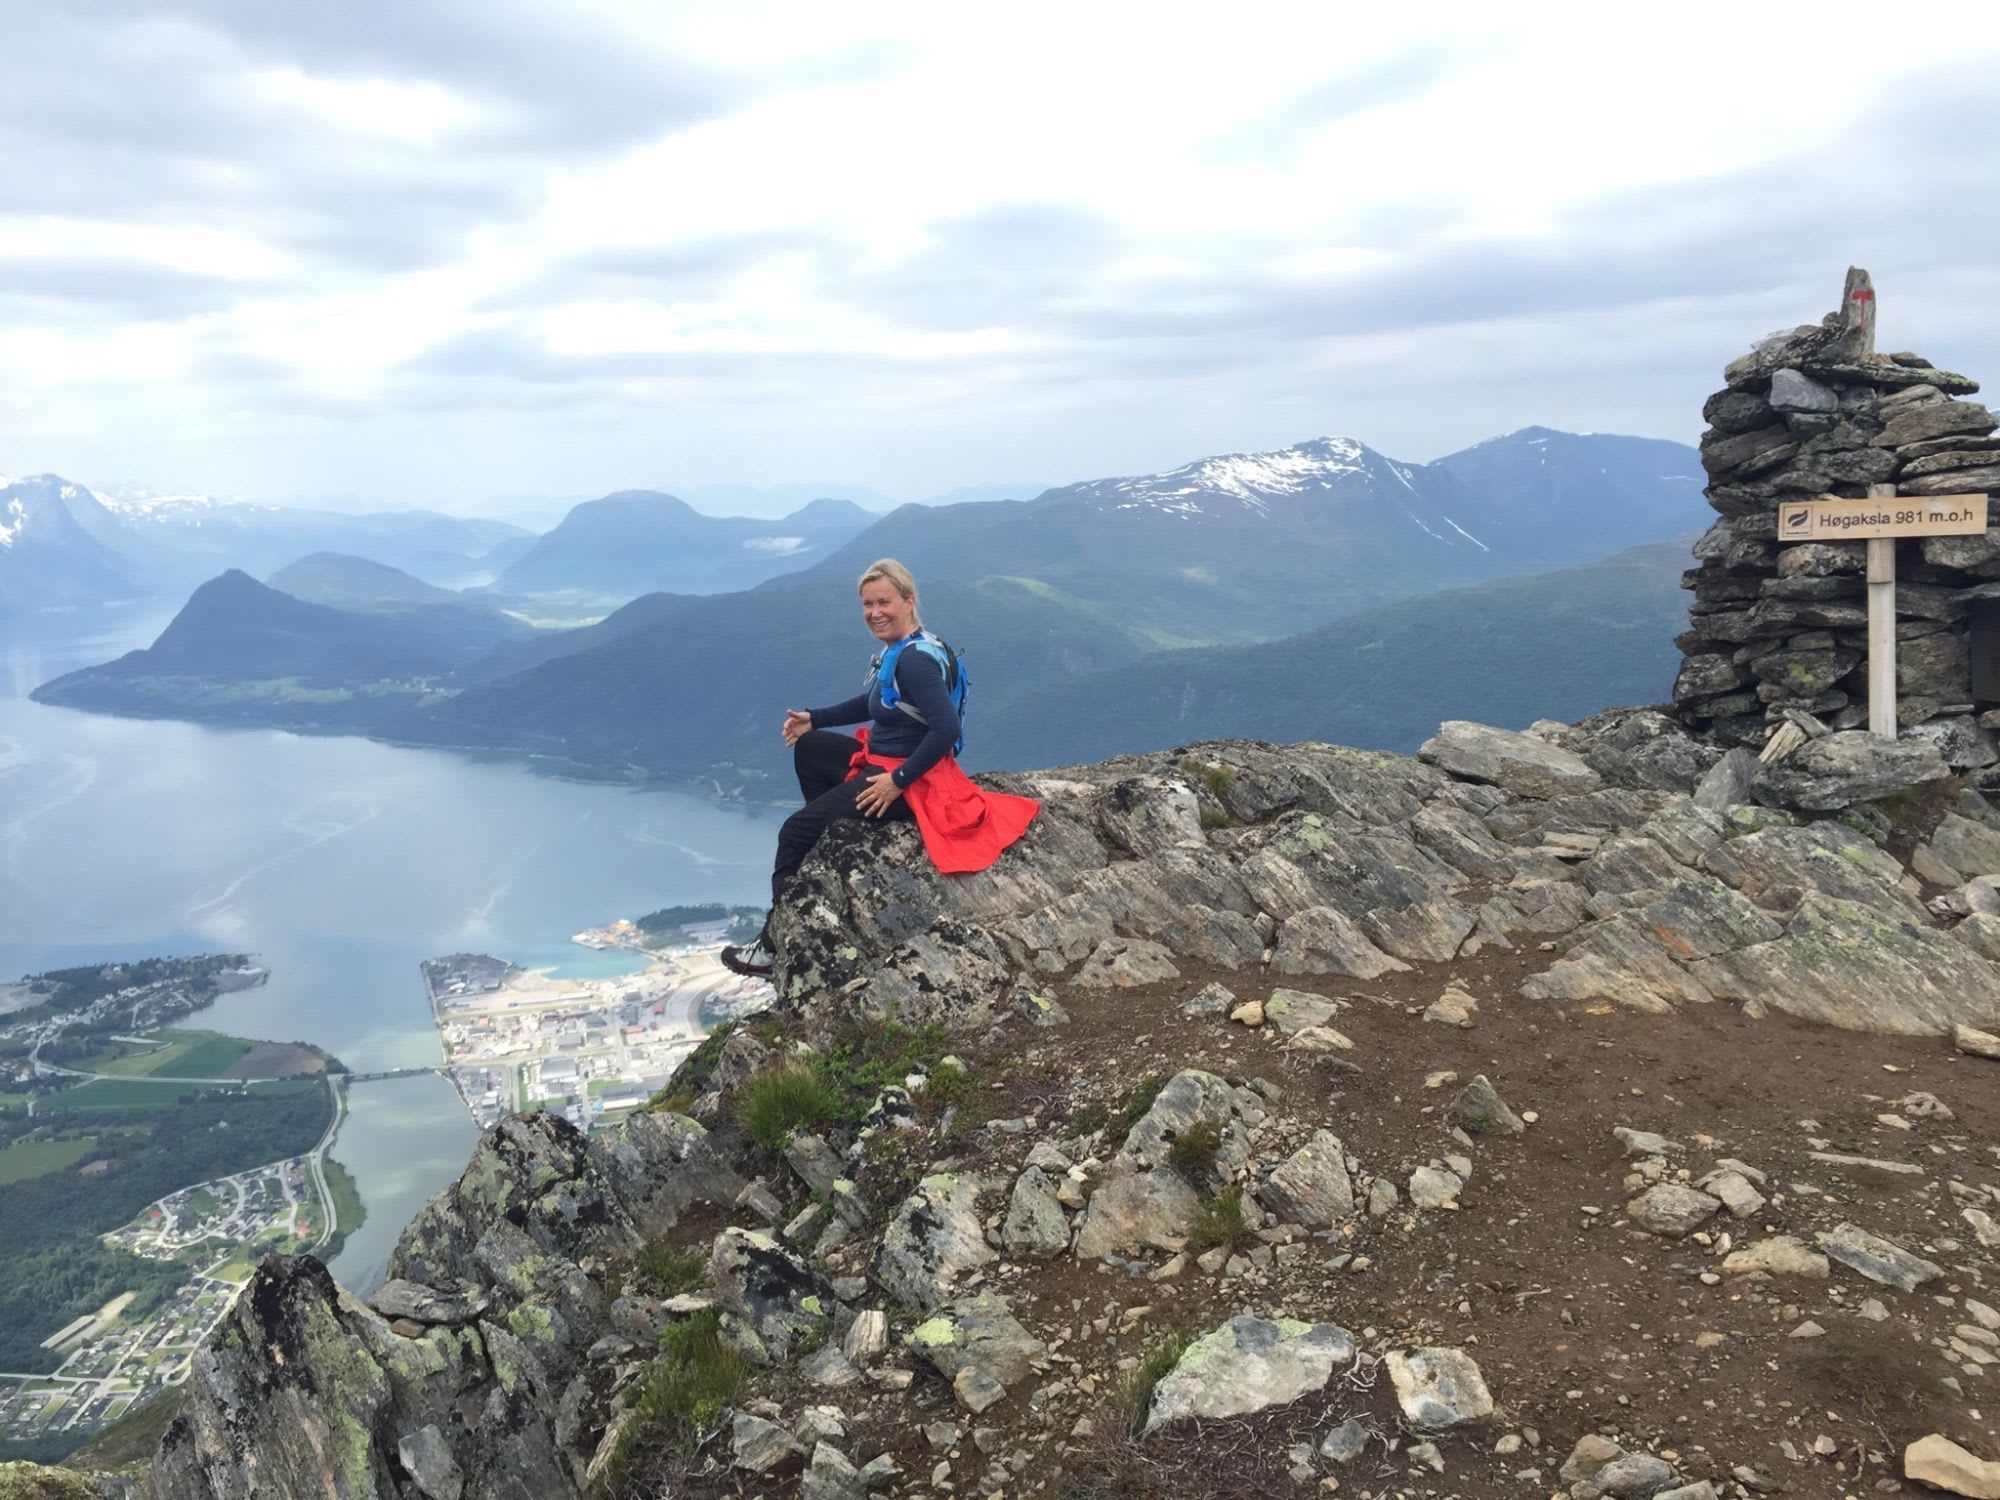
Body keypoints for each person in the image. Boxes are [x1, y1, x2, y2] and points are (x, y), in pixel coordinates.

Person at [721, 558, 1040, 978]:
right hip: (887, 765)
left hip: (908, 781)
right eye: (867, 604)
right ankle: (831, 833)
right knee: (811, 748)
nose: (874, 612)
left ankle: (774, 946)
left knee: (793, 832)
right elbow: (877, 703)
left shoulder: (914, 662)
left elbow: (947, 728)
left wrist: (897, 781)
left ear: (909, 600)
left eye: (884, 602)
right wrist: (815, 719)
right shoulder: (910, 647)